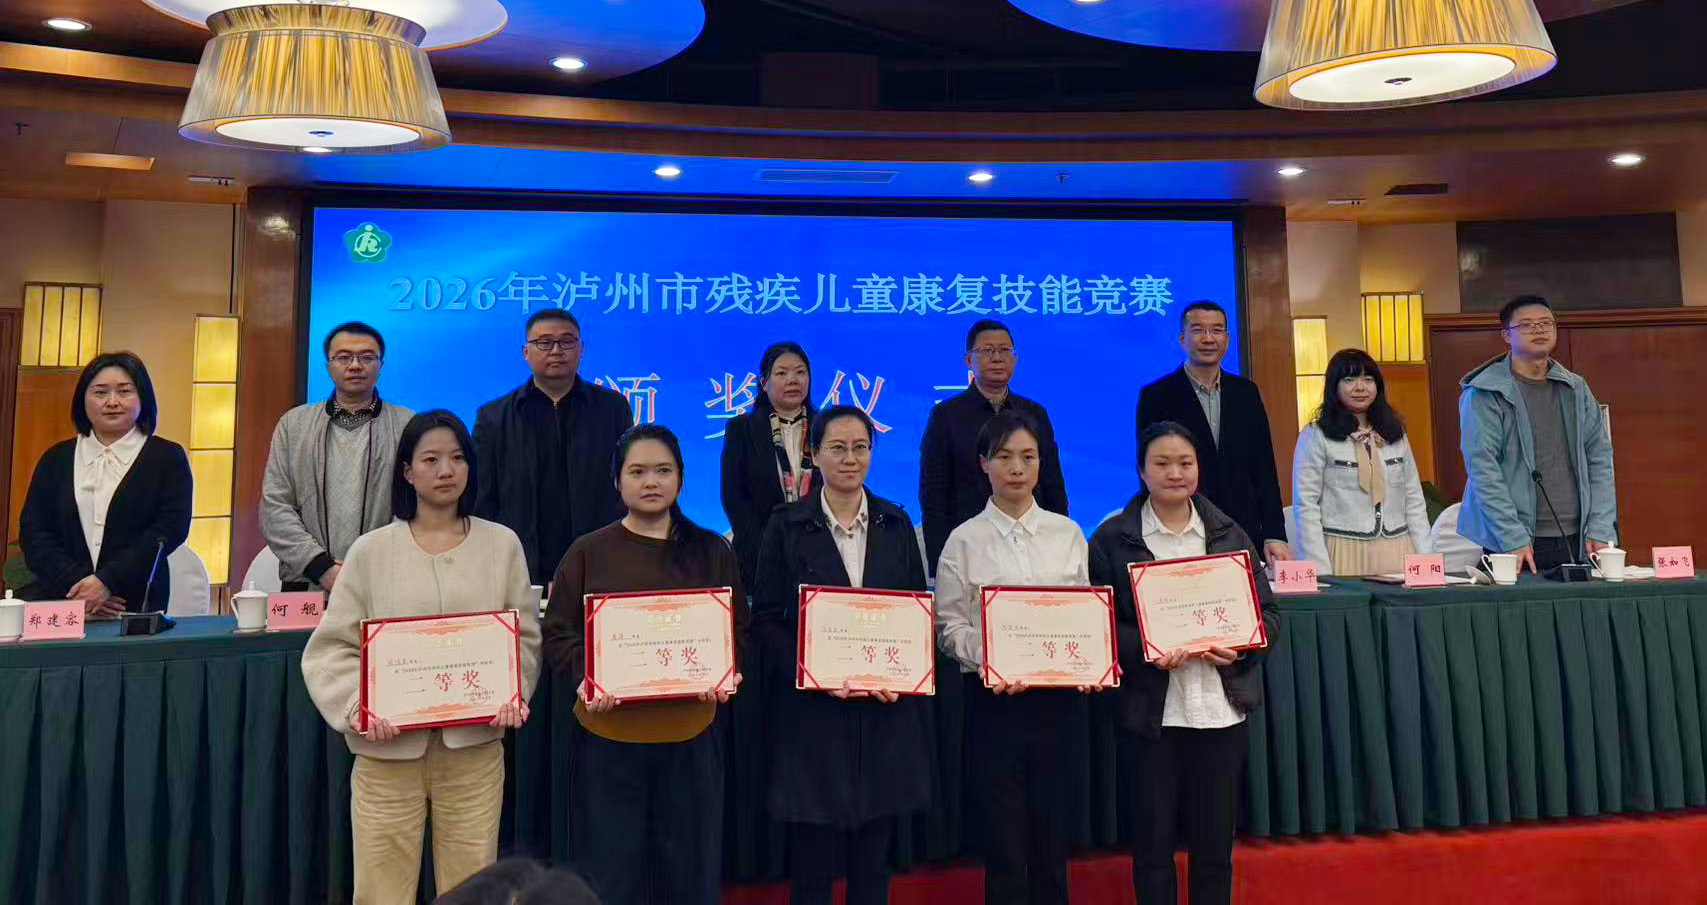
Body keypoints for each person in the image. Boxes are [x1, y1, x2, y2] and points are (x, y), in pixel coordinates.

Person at [301, 410, 541, 905]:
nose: (446, 470)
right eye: (430, 460)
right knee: (381, 891)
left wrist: (512, 692)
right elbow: (330, 649)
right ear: (407, 472)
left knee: (473, 889)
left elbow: (525, 639)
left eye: (457, 458)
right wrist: (357, 708)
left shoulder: (502, 545)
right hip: (386, 755)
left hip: (473, 751)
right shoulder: (370, 551)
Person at [542, 424, 746, 905]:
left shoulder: (711, 550)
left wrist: (726, 670)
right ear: (617, 481)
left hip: (689, 737)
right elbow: (557, 633)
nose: (651, 481)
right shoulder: (588, 551)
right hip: (609, 742)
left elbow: (738, 630)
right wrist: (588, 676)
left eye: (663, 470)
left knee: (688, 879)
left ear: (680, 479)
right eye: (637, 472)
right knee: (610, 880)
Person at [1089, 421, 1278, 905]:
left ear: (1198, 469)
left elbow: (1269, 615)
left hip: (1219, 712)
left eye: (1185, 463)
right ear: (1141, 471)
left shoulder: (1229, 533)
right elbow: (1097, 627)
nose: (1175, 473)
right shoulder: (1113, 539)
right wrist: (1148, 648)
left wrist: (1243, 647)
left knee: (1214, 852)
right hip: (1151, 718)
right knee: (1152, 852)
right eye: (1162, 463)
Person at [753, 406, 932, 905]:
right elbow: (765, 621)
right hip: (814, 719)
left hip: (884, 717)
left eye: (860, 448)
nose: (850, 459)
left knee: (872, 871)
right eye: (837, 448)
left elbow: (915, 613)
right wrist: (815, 671)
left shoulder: (896, 523)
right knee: (812, 870)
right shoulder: (787, 526)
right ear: (814, 454)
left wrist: (902, 672)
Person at [934, 410, 1094, 905]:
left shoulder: (1068, 534)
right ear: (984, 464)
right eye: (1004, 457)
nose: (1017, 468)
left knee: (1052, 840)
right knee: (1003, 844)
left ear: (1041, 463)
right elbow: (949, 627)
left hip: (1057, 705)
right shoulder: (963, 540)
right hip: (994, 706)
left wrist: (1089, 661)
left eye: (1028, 457)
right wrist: (990, 657)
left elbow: (1085, 616)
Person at [18, 352, 191, 614]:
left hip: (134, 603)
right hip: (64, 603)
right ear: (82, 400)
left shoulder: (167, 457)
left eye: (124, 391)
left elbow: (170, 528)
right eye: (100, 393)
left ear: (143, 397)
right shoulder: (56, 458)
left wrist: (106, 583)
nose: (112, 402)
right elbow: (34, 532)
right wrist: (81, 588)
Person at [1458, 295, 1617, 573]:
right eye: (1527, 325)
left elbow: (1600, 458)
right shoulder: (1485, 392)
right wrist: (1511, 536)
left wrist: (1601, 526)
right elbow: (1483, 469)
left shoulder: (1575, 388)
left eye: (1546, 323)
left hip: (1579, 534)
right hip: (1517, 539)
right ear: (1506, 335)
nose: (1539, 329)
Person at [474, 309, 633, 585]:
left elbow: (627, 482)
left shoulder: (612, 408)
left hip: (601, 559)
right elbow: (483, 499)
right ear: (526, 352)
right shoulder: (494, 417)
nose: (556, 351)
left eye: (567, 341)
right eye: (544, 342)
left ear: (581, 349)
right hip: (522, 563)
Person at [262, 321, 413, 591]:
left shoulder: (406, 424)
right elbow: (275, 506)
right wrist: (322, 569)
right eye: (343, 357)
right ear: (328, 365)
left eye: (367, 357)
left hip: (382, 579)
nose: (355, 365)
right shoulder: (294, 424)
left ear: (381, 364)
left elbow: (413, 504)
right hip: (306, 581)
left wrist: (370, 565)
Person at [1136, 301, 1289, 564]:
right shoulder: (1156, 395)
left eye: (1216, 330)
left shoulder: (1246, 393)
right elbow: (1150, 468)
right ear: (1182, 338)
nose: (1208, 339)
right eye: (1198, 330)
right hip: (1182, 528)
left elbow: (1264, 466)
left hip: (1243, 528)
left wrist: (1274, 533)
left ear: (1227, 339)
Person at [920, 318, 1068, 574]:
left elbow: (1053, 485)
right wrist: (941, 564)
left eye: (1004, 350)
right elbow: (934, 494)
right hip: (970, 547)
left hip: (1033, 545)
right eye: (987, 350)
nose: (997, 358)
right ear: (969, 360)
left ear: (1015, 358)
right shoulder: (946, 415)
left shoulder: (1035, 414)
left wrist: (1060, 543)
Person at [1292, 349, 1431, 576]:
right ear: (1334, 386)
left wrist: (1426, 560)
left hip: (1398, 550)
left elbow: (1414, 499)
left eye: (1368, 379)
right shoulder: (1316, 435)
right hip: (1342, 551)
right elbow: (1306, 505)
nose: (1360, 387)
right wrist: (1320, 569)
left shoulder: (1394, 433)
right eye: (1349, 380)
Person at [721, 341, 818, 593]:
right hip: (758, 556)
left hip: (819, 555)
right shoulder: (742, 429)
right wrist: (765, 547)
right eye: (782, 373)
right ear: (764, 383)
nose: (793, 380)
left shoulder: (825, 427)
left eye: (800, 372)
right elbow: (733, 495)